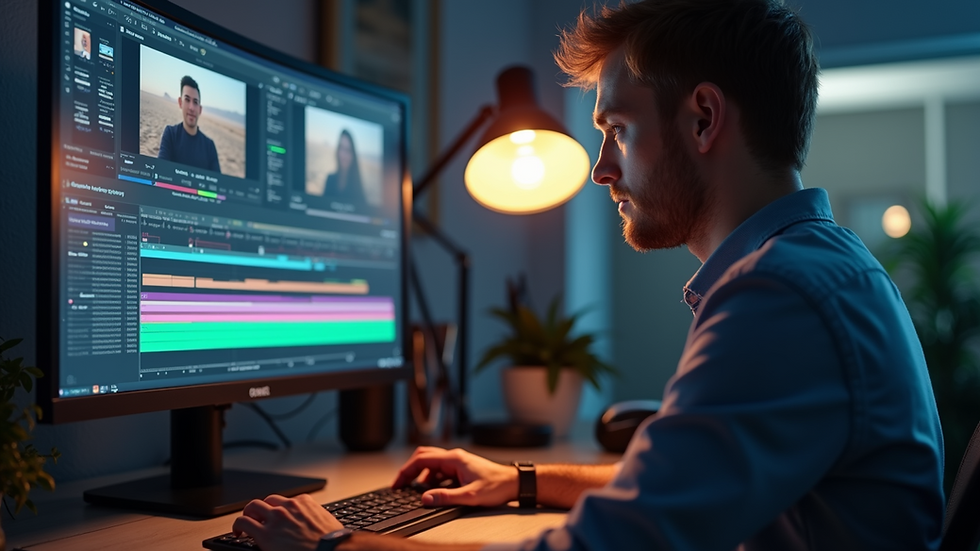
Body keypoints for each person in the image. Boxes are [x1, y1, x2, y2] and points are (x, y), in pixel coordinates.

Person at [232, 1, 945, 549]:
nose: (603, 168)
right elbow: (678, 486)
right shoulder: (818, 267)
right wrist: (520, 480)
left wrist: (332, 541)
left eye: (619, 131)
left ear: (703, 119)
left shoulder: (782, 294)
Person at [158, 75, 221, 173]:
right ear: (180, 103)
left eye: (195, 102)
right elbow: (160, 171)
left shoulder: (209, 146)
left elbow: (217, 184)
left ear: (200, 109)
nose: (191, 107)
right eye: (187, 100)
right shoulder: (171, 134)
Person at [322, 129, 368, 207]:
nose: (343, 155)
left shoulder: (358, 189)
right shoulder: (330, 179)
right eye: (341, 148)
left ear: (353, 155)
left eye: (348, 150)